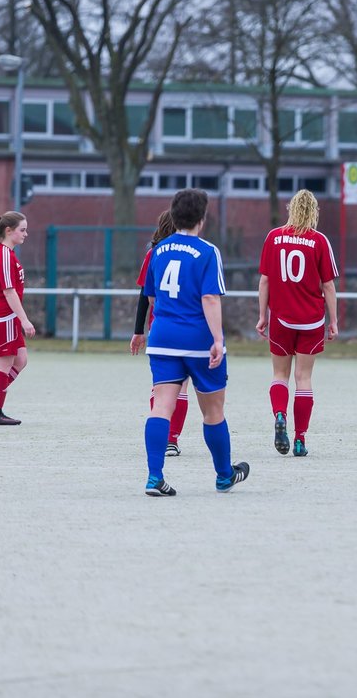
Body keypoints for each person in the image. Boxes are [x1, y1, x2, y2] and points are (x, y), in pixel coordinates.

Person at [140, 188, 249, 496]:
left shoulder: (157, 250)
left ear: (173, 216)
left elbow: (150, 296)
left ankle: (153, 476)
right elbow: (210, 297)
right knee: (213, 410)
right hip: (198, 339)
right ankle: (224, 475)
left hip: (162, 337)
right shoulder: (207, 251)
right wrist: (217, 339)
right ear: (203, 218)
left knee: (161, 405)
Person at [256, 189, 339, 457]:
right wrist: (334, 321)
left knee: (280, 375)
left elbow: (265, 280)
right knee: (303, 378)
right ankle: (300, 439)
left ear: (290, 208)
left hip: (281, 317)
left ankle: (280, 414)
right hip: (311, 320)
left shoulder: (274, 237)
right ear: (314, 211)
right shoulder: (319, 241)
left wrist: (262, 316)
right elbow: (328, 286)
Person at [130, 210, 191, 455]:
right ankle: (172, 439)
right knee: (182, 388)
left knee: (161, 387)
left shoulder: (154, 253)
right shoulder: (195, 253)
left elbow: (145, 296)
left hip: (160, 330)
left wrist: (138, 331)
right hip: (187, 328)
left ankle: (160, 440)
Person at [0, 212, 35, 426]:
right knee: (4, 363)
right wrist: (25, 320)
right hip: (2, 316)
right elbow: (9, 292)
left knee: (21, 360)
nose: (26, 234)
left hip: (6, 316)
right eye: (22, 230)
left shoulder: (7, 253)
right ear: (8, 231)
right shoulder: (3, 254)